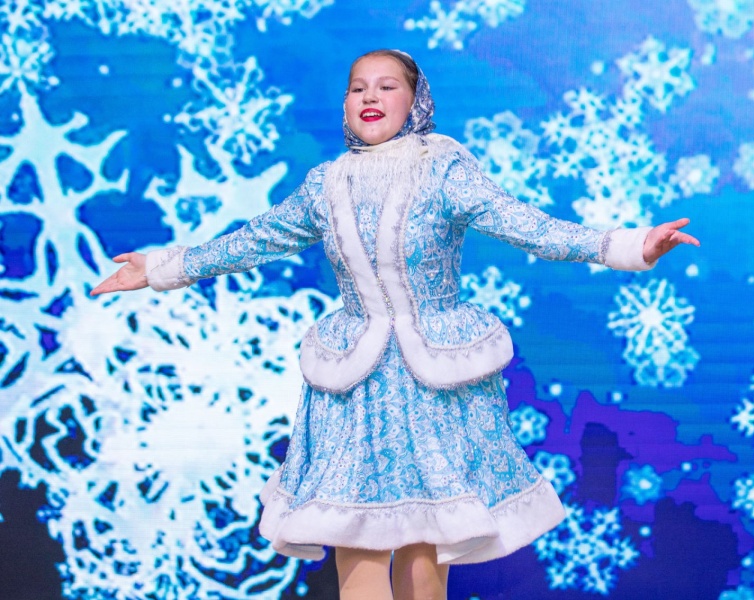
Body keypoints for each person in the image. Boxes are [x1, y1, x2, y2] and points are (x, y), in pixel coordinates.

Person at [92, 49, 699, 600]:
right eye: (358, 87)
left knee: (422, 552)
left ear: (416, 100)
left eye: (387, 86)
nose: (370, 97)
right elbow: (254, 239)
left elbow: (525, 225)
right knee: (354, 542)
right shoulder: (325, 183)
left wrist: (628, 245)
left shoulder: (442, 167)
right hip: (352, 387)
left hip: (431, 380)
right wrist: (162, 268)